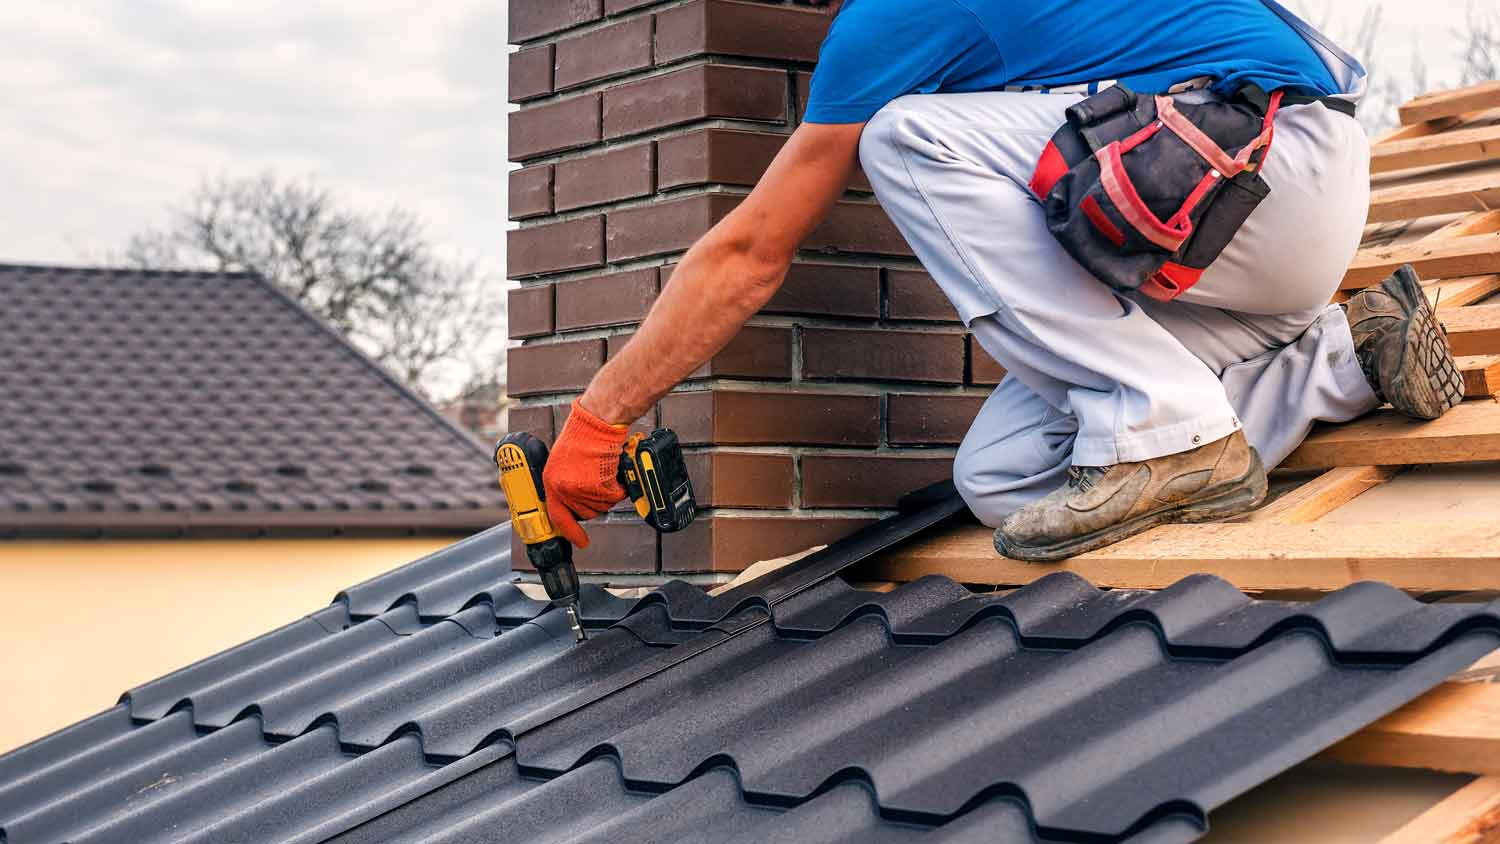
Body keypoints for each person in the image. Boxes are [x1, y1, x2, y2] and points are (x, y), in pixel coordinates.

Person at [535, 0, 1464, 563]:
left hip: (1261, 165)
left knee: (908, 134)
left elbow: (749, 254)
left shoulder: (896, 17)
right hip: (1260, 238)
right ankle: (1343, 358)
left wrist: (600, 417)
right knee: (1007, 481)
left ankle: (1161, 421)